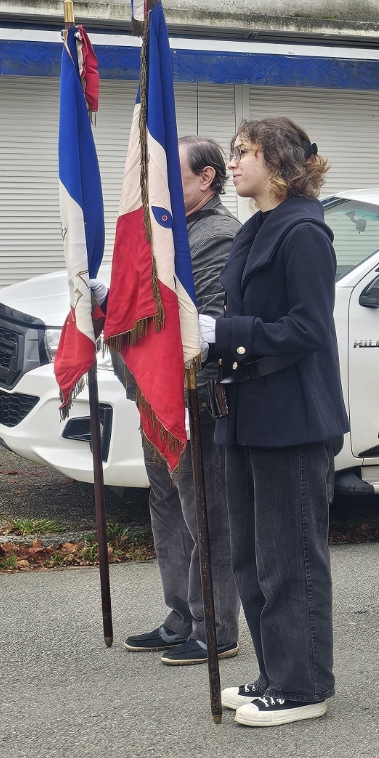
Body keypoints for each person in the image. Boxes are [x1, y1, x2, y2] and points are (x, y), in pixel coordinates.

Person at [207, 117, 348, 727]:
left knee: (289, 557)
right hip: (248, 412)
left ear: (280, 163)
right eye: (235, 153)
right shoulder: (257, 227)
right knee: (251, 555)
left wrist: (226, 335)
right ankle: (274, 670)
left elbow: (309, 328)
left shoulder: (303, 233)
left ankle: (303, 684)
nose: (233, 164)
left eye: (245, 153)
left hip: (292, 415)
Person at [122, 136, 243, 665]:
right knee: (167, 506)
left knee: (206, 513)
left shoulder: (219, 234)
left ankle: (215, 626)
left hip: (195, 394)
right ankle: (181, 615)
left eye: (176, 176)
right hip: (154, 394)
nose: (163, 186)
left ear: (207, 179)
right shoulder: (167, 228)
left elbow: (203, 319)